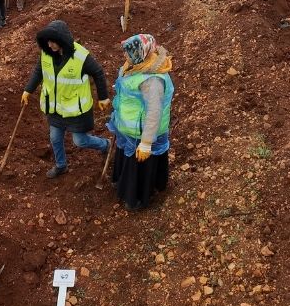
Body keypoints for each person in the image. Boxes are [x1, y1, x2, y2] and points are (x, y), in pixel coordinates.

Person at [22, 20, 112, 178]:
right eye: (47, 42)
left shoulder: (81, 56)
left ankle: (106, 145)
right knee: (55, 137)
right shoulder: (46, 52)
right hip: (56, 107)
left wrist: (103, 97)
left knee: (80, 141)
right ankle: (61, 165)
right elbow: (39, 71)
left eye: (53, 42)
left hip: (76, 109)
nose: (50, 45)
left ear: (62, 39)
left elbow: (98, 73)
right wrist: (28, 90)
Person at [107, 34, 175, 211]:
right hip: (128, 129)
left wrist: (146, 143)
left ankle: (136, 198)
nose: (125, 57)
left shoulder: (152, 81)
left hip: (142, 133)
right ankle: (121, 184)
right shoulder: (135, 66)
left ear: (141, 53)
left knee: (138, 168)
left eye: (129, 53)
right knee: (126, 159)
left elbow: (154, 112)